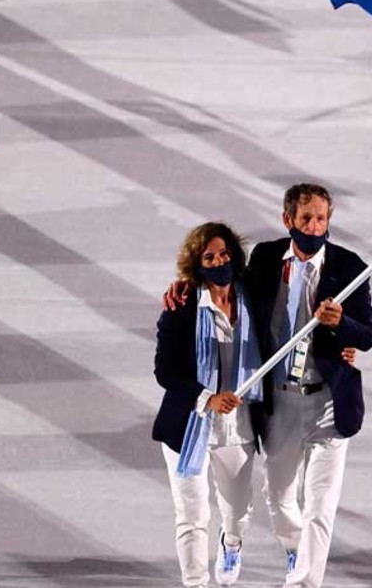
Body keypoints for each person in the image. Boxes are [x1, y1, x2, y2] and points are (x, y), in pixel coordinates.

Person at [164, 183, 372, 588]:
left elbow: (367, 335)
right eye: (306, 219)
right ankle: (291, 547)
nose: (314, 228)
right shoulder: (263, 259)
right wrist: (184, 287)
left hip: (329, 403)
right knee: (280, 503)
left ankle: (303, 582)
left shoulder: (350, 267)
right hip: (279, 403)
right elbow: (222, 286)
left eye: (321, 219)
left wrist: (342, 326)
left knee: (319, 507)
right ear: (288, 220)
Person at [151, 222, 266, 587]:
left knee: (237, 512)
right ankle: (195, 582)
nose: (219, 261)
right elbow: (165, 371)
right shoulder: (182, 306)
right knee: (191, 516)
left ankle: (231, 543)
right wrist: (208, 398)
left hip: (239, 427)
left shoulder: (254, 298)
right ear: (196, 264)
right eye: (209, 257)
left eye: (224, 253)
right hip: (189, 429)